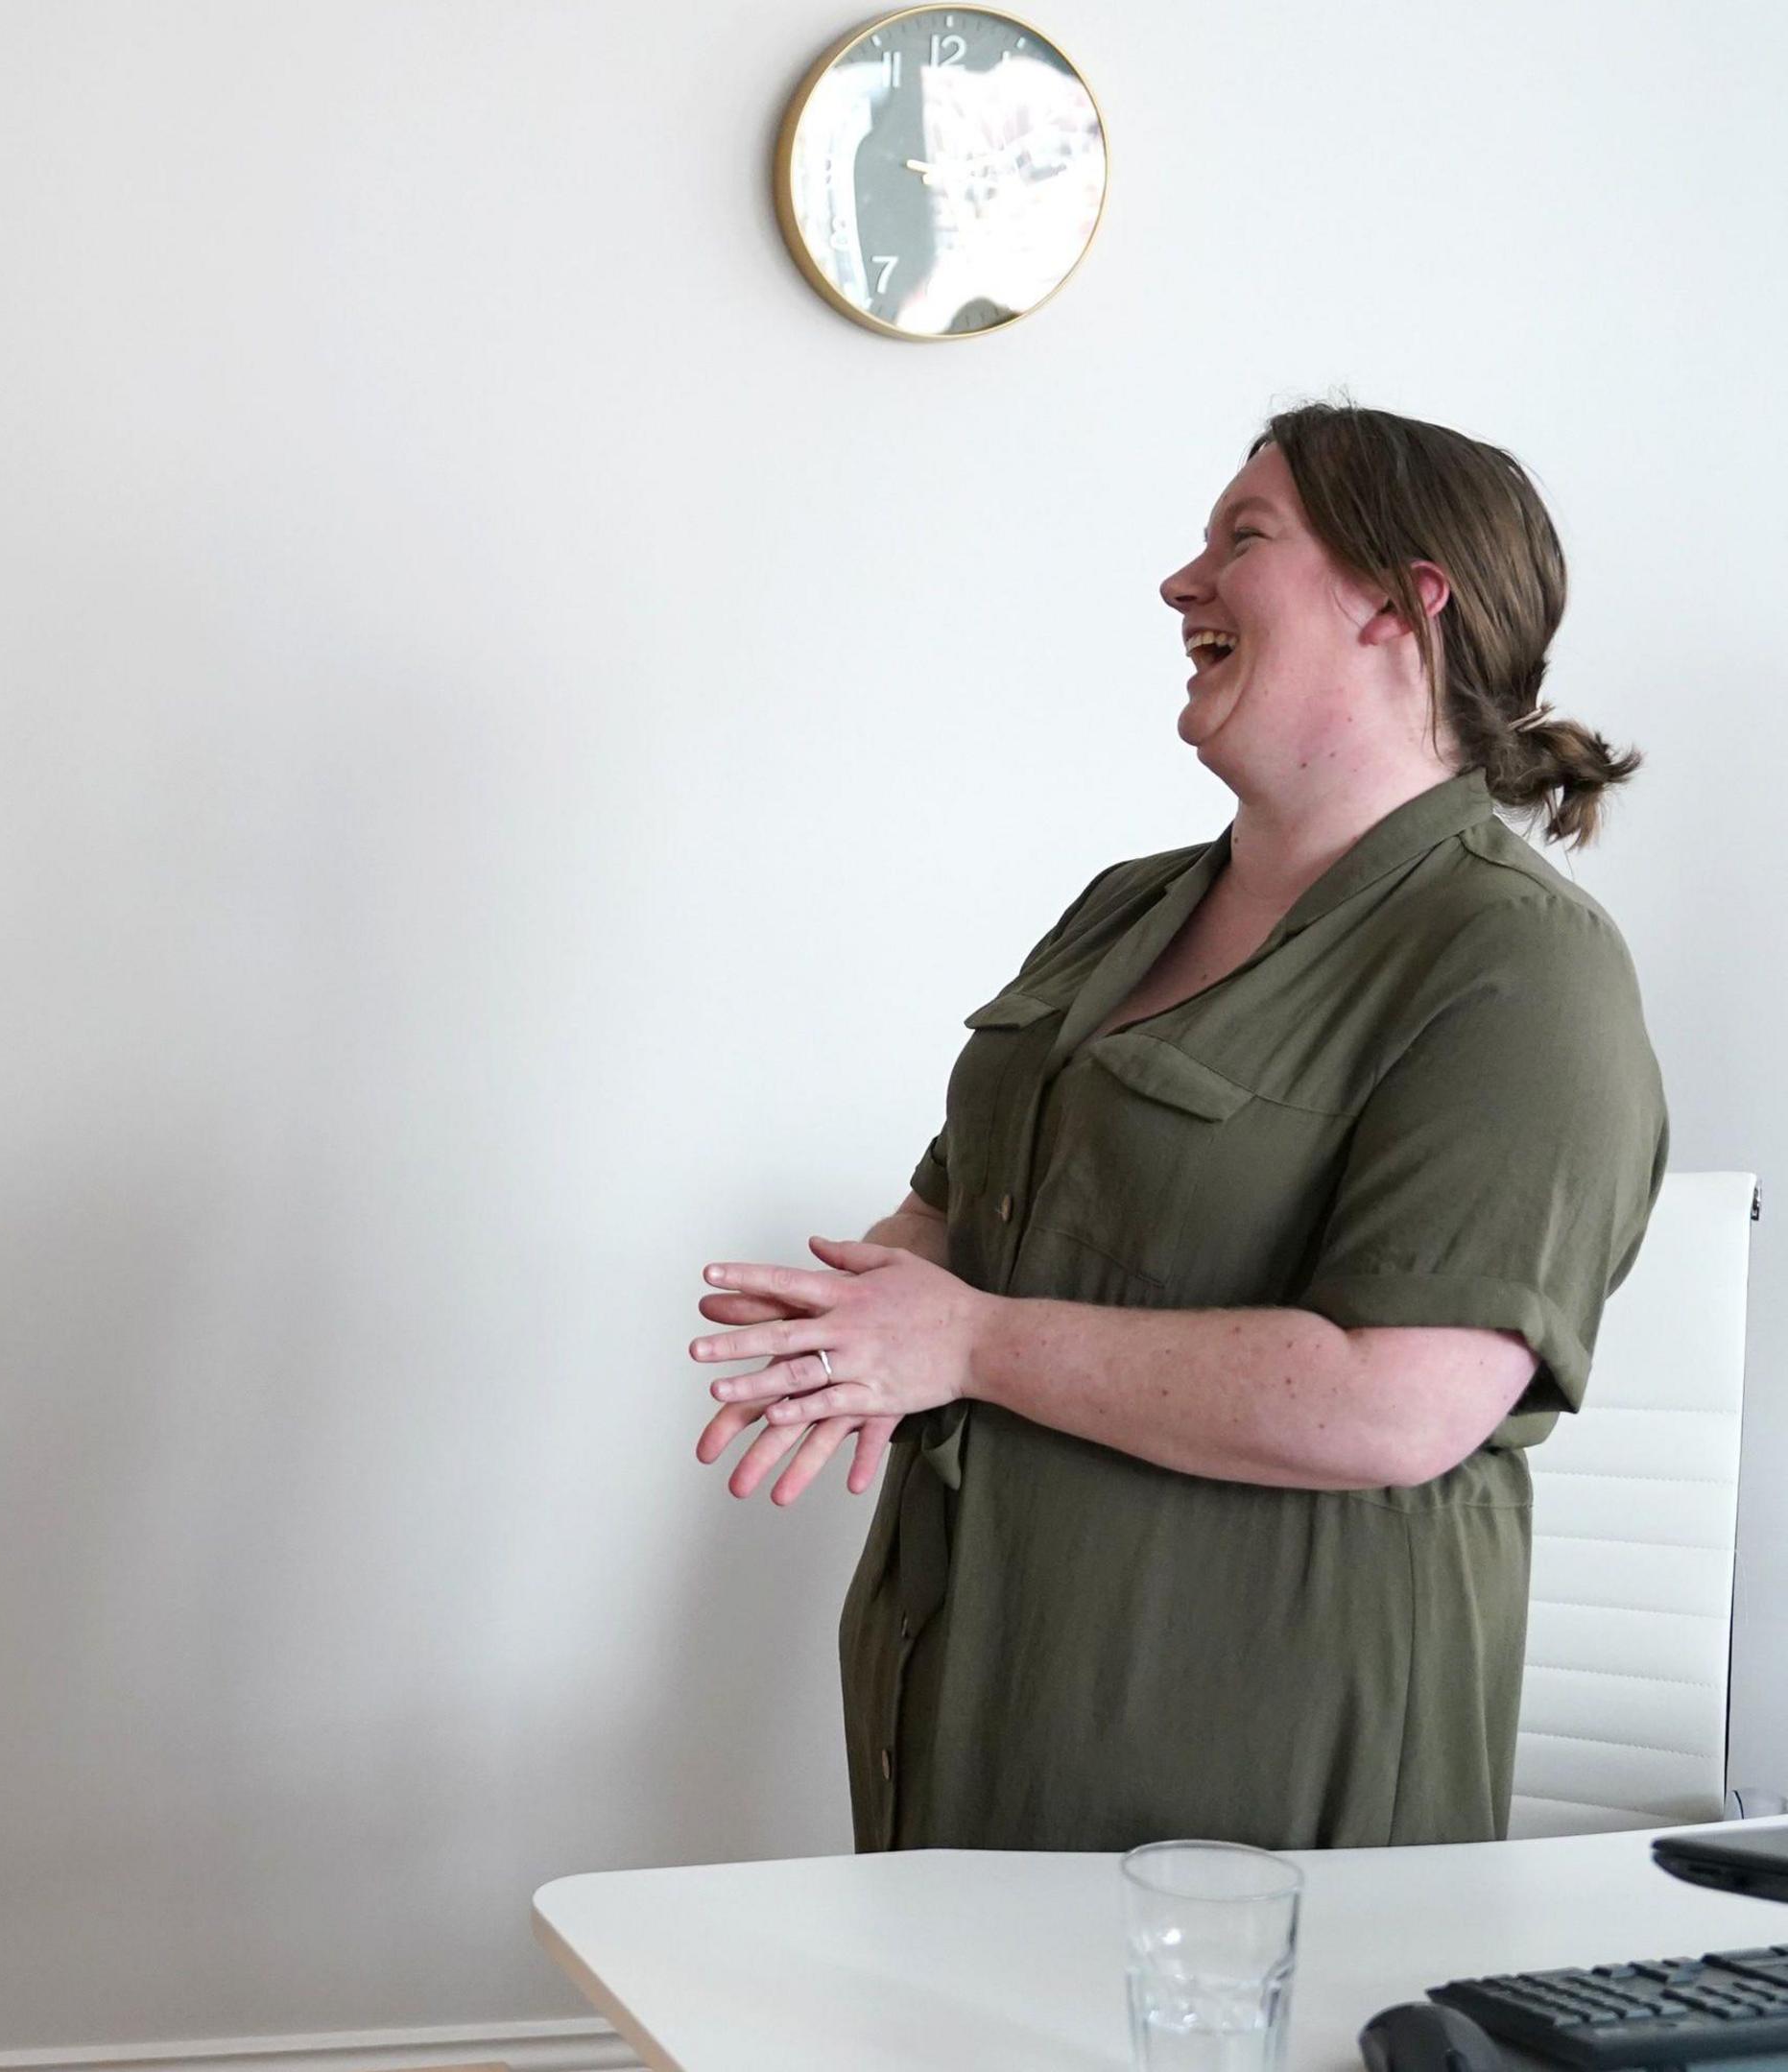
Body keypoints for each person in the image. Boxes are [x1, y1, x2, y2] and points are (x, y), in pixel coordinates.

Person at [686, 404, 1665, 1853]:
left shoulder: (1519, 967)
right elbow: (975, 1201)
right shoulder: (1124, 906)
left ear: (1405, 604)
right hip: (972, 1713)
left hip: (1252, 1775)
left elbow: (1401, 1400)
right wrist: (864, 1317)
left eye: (1243, 538)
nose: (1179, 583)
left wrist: (963, 1342)